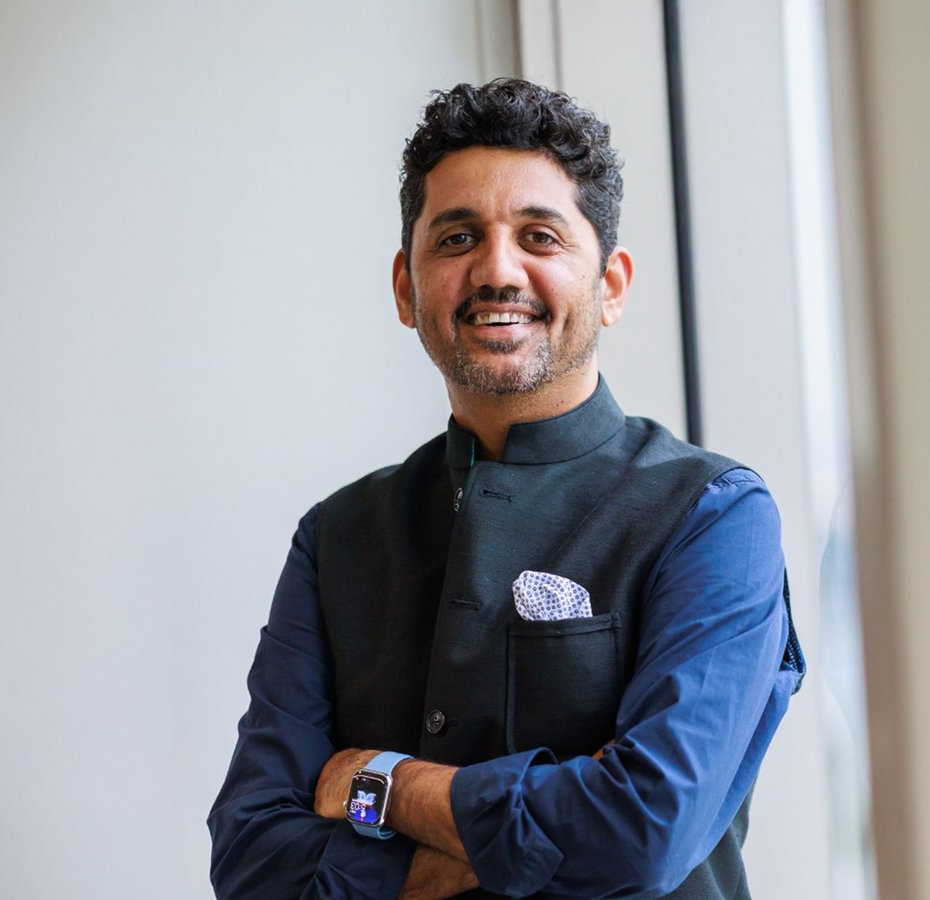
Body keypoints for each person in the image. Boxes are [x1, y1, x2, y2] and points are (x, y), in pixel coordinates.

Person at [207, 78, 804, 900]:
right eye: (457, 238)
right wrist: (544, 830)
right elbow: (251, 860)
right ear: (406, 289)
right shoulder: (337, 538)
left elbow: (641, 832)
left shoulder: (712, 515)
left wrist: (384, 786)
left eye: (540, 237)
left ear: (611, 285)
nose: (496, 270)